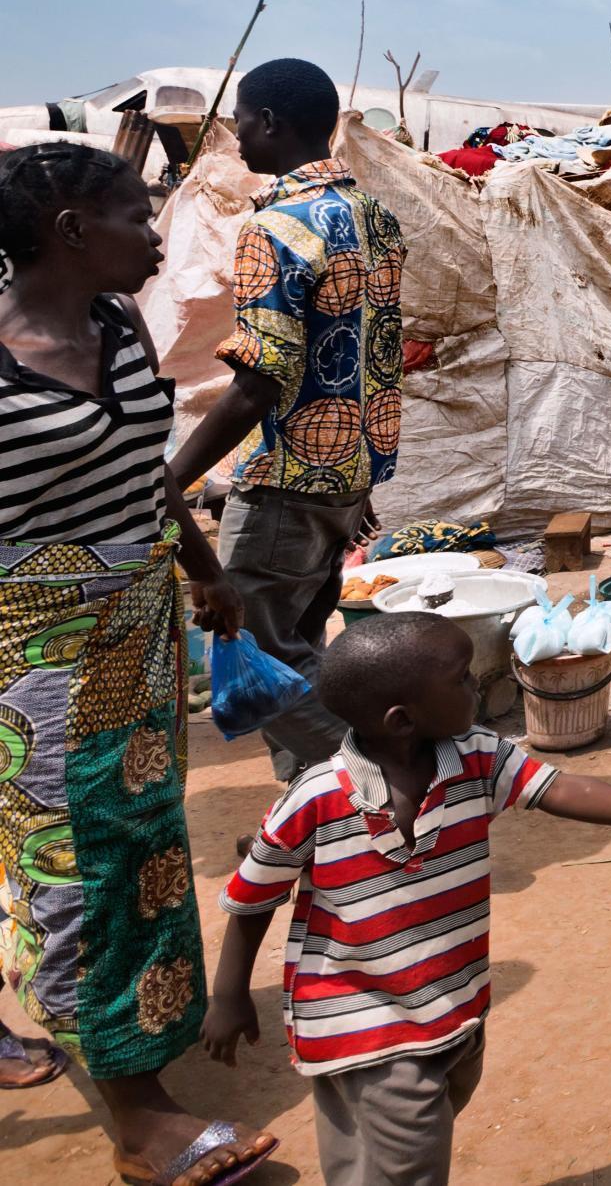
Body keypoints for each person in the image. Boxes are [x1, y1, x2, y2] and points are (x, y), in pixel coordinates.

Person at [0, 143, 274, 1185]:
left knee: (144, 851)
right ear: (70, 231)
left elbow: (142, 480)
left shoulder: (115, 327)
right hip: (29, 664)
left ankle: (131, 1040)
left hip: (136, 639)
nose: (157, 234)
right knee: (68, 866)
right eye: (133, 213)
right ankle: (135, 1115)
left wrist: (204, 567)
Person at [203, 611, 611, 1186]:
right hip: (361, 1016)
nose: (478, 685)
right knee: (413, 1160)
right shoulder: (315, 798)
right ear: (402, 719)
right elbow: (252, 897)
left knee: (369, 1153)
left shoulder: (477, 756)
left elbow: (559, 788)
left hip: (455, 1005)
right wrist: (229, 994)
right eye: (462, 678)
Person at [170, 58, 406, 783]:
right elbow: (373, 352)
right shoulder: (374, 215)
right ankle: (315, 819)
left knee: (253, 661)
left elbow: (260, 378)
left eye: (240, 120)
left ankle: (393, 778)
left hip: (290, 479)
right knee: (303, 641)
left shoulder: (273, 227)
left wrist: (170, 478)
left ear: (270, 122)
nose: (235, 137)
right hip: (349, 475)